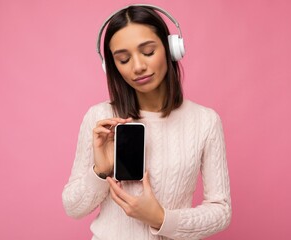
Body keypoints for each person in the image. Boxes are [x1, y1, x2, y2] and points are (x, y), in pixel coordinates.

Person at [62, 4, 231, 240]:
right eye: (123, 59)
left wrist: (160, 218)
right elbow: (73, 208)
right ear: (111, 66)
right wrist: (101, 171)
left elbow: (221, 211)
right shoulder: (99, 118)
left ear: (171, 49)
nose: (138, 66)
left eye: (148, 52)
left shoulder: (205, 121)